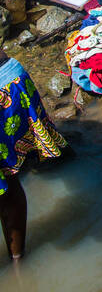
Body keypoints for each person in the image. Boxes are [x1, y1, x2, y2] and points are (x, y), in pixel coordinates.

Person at [0, 52, 66, 262]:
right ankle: (19, 265)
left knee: (7, 185)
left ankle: (19, 263)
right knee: (7, 184)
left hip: (6, 88)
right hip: (11, 81)